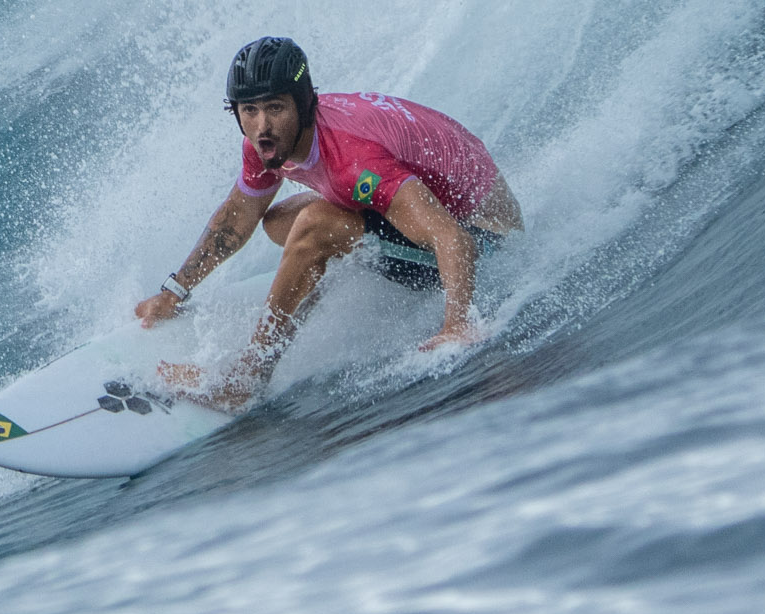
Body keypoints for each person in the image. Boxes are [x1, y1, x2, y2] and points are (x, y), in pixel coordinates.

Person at [137, 36, 523, 409]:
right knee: (279, 222)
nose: (261, 126)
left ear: (304, 104)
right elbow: (240, 217)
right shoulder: (272, 143)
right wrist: (175, 291)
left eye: (274, 108)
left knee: (314, 225)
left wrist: (458, 324)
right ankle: (316, 267)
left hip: (488, 242)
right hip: (439, 208)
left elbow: (452, 237)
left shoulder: (355, 161)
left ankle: (244, 380)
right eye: (248, 110)